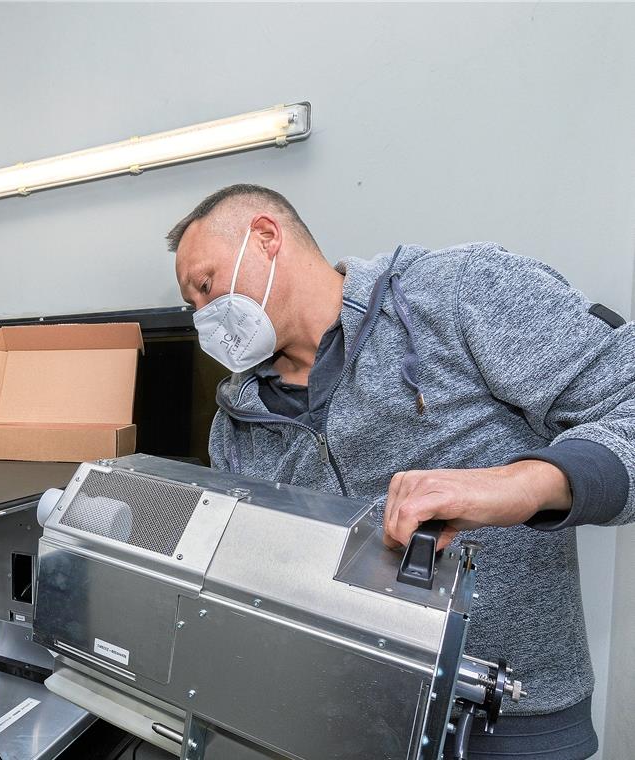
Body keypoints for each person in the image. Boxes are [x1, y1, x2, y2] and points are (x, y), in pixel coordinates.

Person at [168, 184, 634, 759]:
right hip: (347, 723)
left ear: (265, 237)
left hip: (512, 720)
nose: (206, 318)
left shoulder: (459, 292)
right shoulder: (236, 424)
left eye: (207, 286)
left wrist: (523, 484)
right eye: (194, 307)